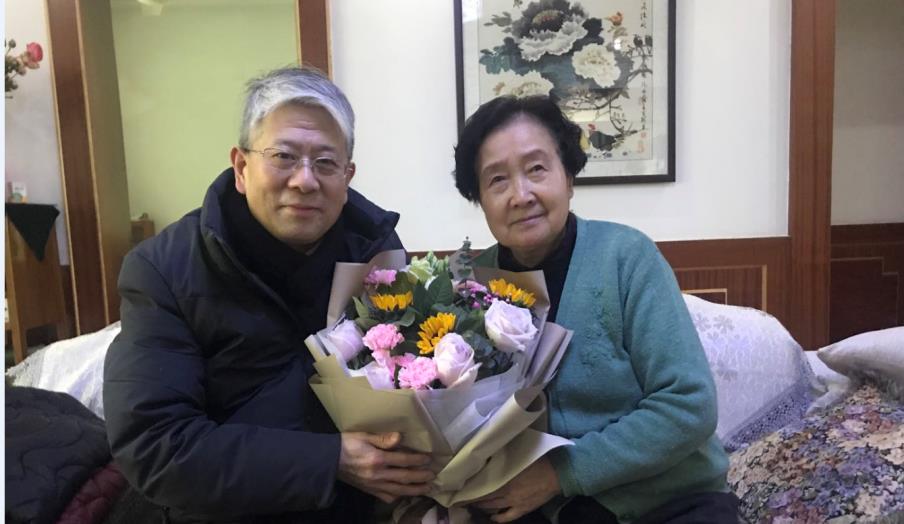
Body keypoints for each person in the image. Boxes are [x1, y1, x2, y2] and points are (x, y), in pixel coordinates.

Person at [103, 66, 434, 523]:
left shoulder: (376, 253)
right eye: (284, 156)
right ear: (241, 168)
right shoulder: (163, 269)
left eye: (325, 162)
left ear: (347, 176)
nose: (305, 180)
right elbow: (155, 445)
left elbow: (412, 386)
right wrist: (331, 461)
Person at [452, 96, 738, 524]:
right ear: (479, 199)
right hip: (542, 508)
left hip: (666, 499)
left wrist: (560, 474)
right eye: (497, 180)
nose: (521, 195)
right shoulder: (470, 286)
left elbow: (689, 404)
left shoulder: (627, 257)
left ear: (568, 178)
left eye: (536, 169)